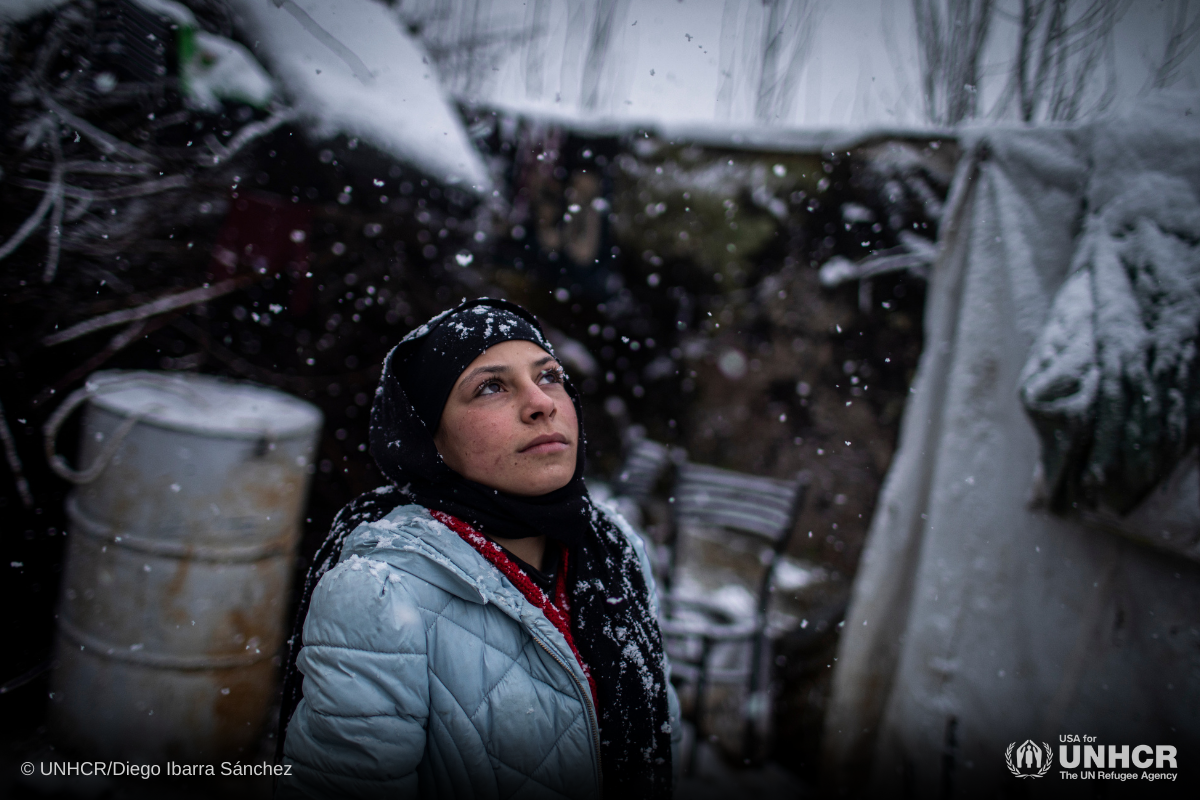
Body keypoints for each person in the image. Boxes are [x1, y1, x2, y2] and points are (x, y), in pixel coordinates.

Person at [277, 298, 679, 799]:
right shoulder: (380, 593)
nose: (541, 403)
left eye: (549, 376)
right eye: (491, 387)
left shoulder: (613, 551)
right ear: (429, 439)